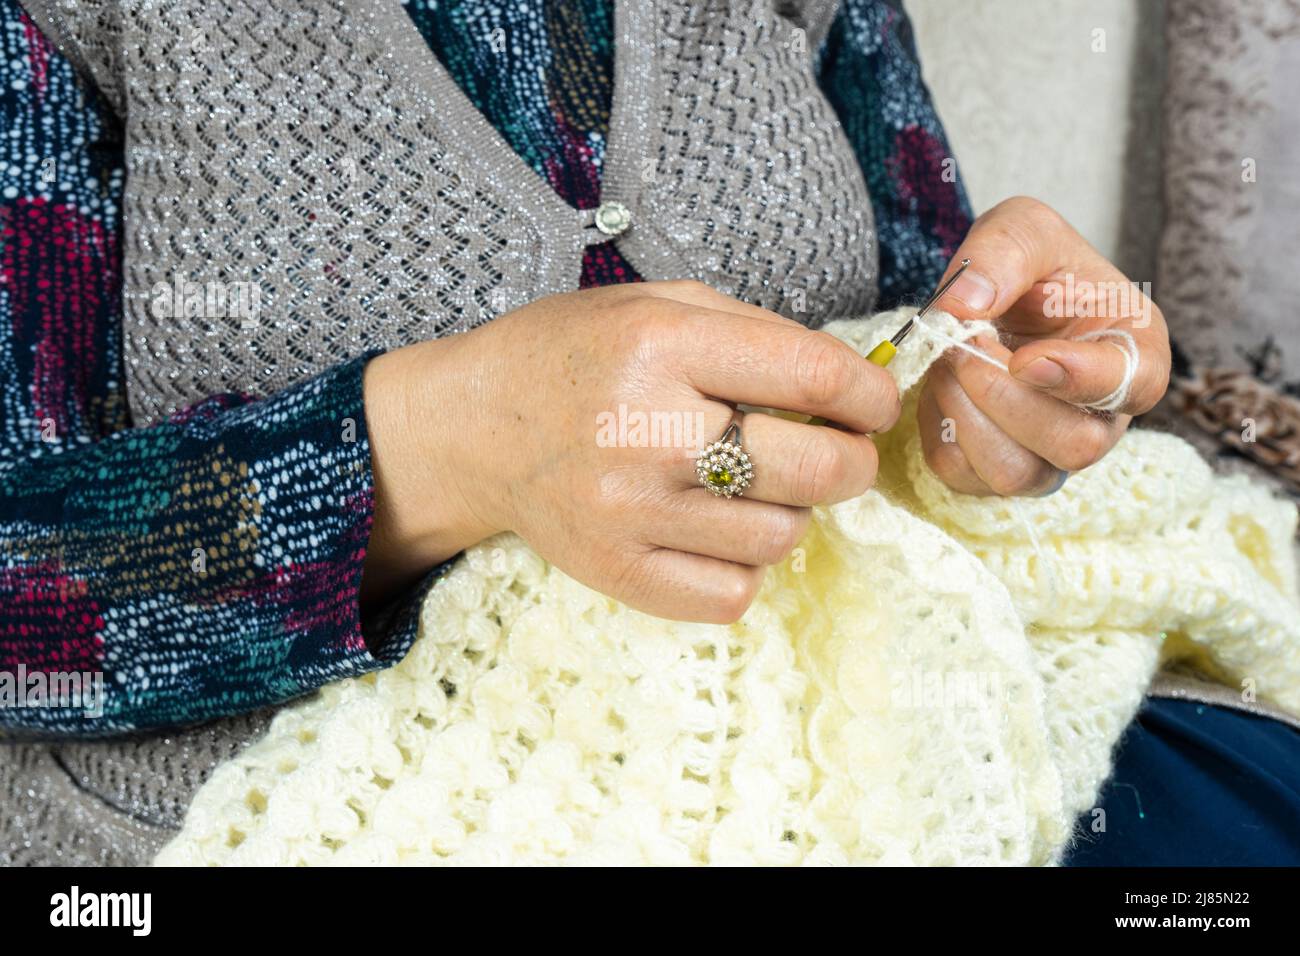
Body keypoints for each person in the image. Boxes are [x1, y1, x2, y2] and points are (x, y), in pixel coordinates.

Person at [8, 0, 1284, 869]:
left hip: (873, 724)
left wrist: (993, 397)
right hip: (305, 801)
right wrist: (447, 444)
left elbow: (926, 313)